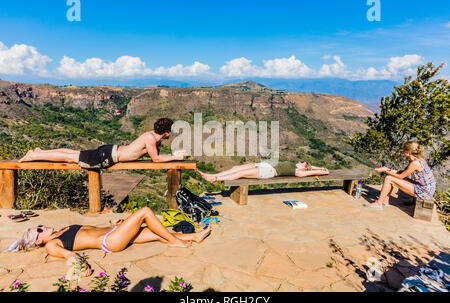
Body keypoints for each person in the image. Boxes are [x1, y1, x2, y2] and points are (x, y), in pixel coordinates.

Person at [3, 207, 211, 277]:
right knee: (145, 212)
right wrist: (81, 268)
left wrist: (113, 223)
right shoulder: (51, 245)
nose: (43, 227)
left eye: (39, 225)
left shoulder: (60, 231)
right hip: (111, 241)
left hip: (112, 231)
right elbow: (70, 255)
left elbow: (89, 230)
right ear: (39, 242)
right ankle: (176, 242)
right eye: (39, 230)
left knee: (153, 232)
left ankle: (194, 236)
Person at [18, 118, 186, 169]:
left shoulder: (151, 137)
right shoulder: (150, 139)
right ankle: (34, 155)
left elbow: (155, 156)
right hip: (108, 156)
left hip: (111, 151)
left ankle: (40, 152)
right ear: (167, 132)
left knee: (72, 152)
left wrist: (172, 156)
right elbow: (156, 160)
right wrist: (174, 157)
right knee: (71, 157)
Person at [368, 141, 436, 209]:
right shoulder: (418, 159)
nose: (402, 152)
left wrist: (385, 171)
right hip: (425, 188)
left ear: (408, 151)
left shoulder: (415, 163)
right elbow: (401, 172)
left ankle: (379, 203)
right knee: (390, 177)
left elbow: (401, 176)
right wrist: (387, 169)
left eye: (404, 150)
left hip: (424, 191)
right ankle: (385, 201)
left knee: (389, 178)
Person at [198, 160, 330, 183]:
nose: (301, 162)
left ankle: (214, 179)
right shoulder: (298, 167)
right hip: (264, 165)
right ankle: (213, 175)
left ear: (303, 168)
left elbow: (309, 172)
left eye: (303, 164)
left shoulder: (299, 172)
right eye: (302, 161)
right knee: (235, 168)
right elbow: (312, 168)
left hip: (269, 171)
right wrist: (319, 167)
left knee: (240, 174)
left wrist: (322, 172)